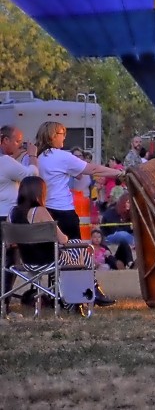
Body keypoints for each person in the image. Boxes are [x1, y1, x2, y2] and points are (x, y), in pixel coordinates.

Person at [8, 176, 111, 306]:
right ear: (39, 192)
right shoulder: (40, 211)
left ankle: (78, 297)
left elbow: (10, 243)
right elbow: (62, 239)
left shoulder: (12, 213)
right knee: (80, 247)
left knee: (76, 251)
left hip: (27, 262)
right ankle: (84, 294)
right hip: (49, 262)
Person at [35, 122, 123, 242]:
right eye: (62, 133)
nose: (65, 137)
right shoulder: (62, 156)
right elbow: (92, 169)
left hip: (42, 211)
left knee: (50, 253)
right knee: (74, 251)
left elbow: (79, 175)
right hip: (63, 211)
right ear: (53, 136)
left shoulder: (34, 157)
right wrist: (118, 172)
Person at [1, 126, 38, 301]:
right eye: (17, 141)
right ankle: (5, 305)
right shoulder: (6, 163)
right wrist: (32, 155)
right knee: (10, 263)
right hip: (7, 219)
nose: (19, 146)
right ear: (5, 140)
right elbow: (31, 175)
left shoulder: (6, 162)